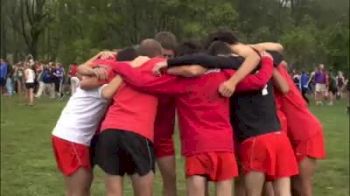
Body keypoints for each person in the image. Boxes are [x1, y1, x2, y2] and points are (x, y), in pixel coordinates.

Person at [102, 41, 275, 196]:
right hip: (223, 144)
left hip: (196, 146)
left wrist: (120, 65)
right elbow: (259, 81)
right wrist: (267, 61)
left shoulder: (178, 83)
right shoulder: (225, 75)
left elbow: (141, 81)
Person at [51, 53, 131, 196]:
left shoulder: (92, 81)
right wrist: (126, 72)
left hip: (67, 135)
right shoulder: (100, 87)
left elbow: (81, 69)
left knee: (82, 186)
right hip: (73, 138)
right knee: (78, 190)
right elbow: (106, 92)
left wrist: (99, 56)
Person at [276, 60, 326, 196]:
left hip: (306, 133)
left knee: (301, 185)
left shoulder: (277, 73)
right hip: (293, 135)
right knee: (290, 185)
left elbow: (280, 59)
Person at [154, 31, 178, 196]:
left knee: (170, 179)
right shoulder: (142, 71)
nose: (165, 61)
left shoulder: (177, 75)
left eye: (169, 56)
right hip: (142, 136)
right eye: (162, 55)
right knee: (143, 183)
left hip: (163, 137)